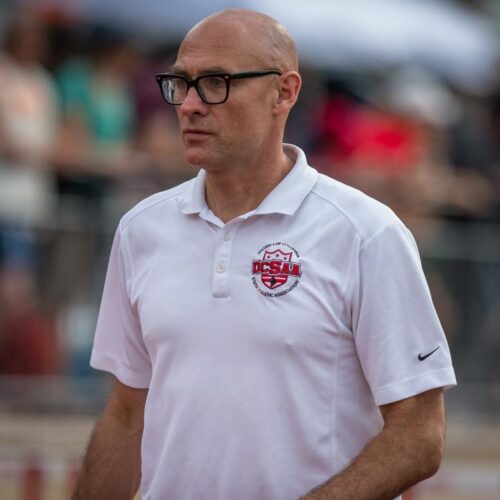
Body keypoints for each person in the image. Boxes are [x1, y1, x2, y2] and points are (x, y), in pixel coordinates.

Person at [73, 9, 456, 500]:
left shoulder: (366, 233)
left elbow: (421, 433)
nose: (189, 104)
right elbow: (127, 413)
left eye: (215, 82)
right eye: (181, 83)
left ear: (285, 91)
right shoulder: (141, 229)